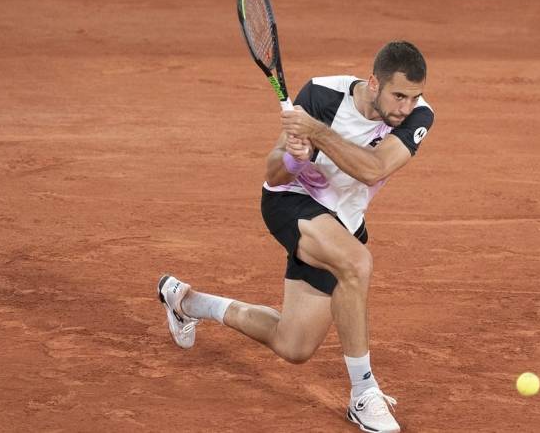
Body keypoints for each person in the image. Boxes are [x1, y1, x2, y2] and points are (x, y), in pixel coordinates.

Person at [158, 40, 434, 433]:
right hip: (292, 203)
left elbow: (373, 169)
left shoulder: (418, 116)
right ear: (374, 83)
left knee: (294, 345)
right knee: (355, 264)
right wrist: (293, 158)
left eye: (415, 96)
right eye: (399, 96)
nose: (406, 107)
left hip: (343, 223)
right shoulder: (320, 94)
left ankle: (188, 303)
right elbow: (274, 175)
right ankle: (363, 393)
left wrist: (317, 135)